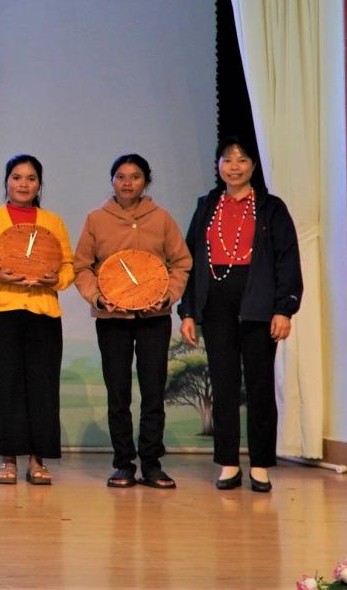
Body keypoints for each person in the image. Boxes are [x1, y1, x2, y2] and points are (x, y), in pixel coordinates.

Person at [179, 136, 302, 493]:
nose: (234, 167)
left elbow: (287, 259)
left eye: (242, 160)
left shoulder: (271, 207)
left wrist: (284, 308)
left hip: (259, 303)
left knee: (260, 385)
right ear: (218, 165)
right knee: (223, 384)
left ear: (253, 166)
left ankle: (260, 465)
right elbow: (189, 260)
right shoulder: (206, 205)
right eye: (227, 160)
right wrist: (188, 312)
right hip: (215, 303)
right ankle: (228, 463)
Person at [72, 153, 192, 490]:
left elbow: (181, 262)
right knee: (118, 392)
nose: (127, 183)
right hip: (112, 317)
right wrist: (98, 297)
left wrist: (168, 295)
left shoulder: (161, 218)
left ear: (146, 181)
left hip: (154, 317)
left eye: (135, 176)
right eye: (121, 176)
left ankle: (152, 464)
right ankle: (123, 463)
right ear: (112, 181)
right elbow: (81, 266)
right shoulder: (96, 219)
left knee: (153, 391)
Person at [0, 154, 73, 486]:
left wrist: (55, 279)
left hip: (43, 315)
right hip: (2, 314)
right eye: (16, 177)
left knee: (43, 388)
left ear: (39, 184)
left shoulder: (53, 222)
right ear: (6, 181)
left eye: (31, 178)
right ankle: (8, 459)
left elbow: (68, 265)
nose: (23, 184)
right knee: (5, 388)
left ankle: (37, 460)